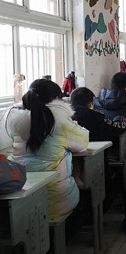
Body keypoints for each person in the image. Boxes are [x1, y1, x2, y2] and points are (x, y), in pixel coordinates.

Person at [0, 79, 89, 223]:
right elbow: (82, 143)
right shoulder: (60, 121)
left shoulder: (16, 122)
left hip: (21, 195)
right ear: (56, 99)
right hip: (55, 197)